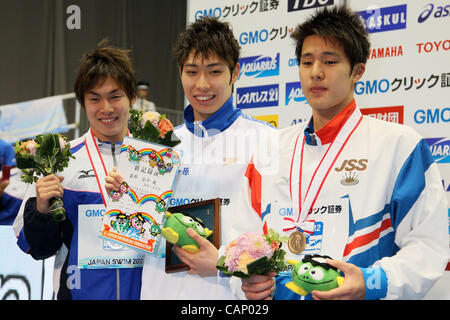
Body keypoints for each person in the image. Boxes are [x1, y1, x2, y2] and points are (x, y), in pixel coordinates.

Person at [240, 5, 448, 300]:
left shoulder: (398, 146)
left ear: (358, 71)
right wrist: (250, 278)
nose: (316, 73)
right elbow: (246, 238)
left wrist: (371, 282)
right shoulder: (270, 150)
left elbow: (429, 245)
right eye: (307, 61)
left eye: (330, 61)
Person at [106, 17, 275, 299]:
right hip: (159, 290)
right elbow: (135, 238)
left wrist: (223, 264)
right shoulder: (160, 146)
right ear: (180, 72)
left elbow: (276, 240)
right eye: (192, 71)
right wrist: (124, 201)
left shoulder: (266, 140)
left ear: (235, 73)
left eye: (214, 71)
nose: (202, 84)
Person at [13, 40, 143, 299]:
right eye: (95, 99)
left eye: (115, 96)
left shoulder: (155, 162)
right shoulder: (60, 161)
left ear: (132, 98)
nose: (105, 108)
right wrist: (41, 210)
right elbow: (35, 247)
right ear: (83, 102)